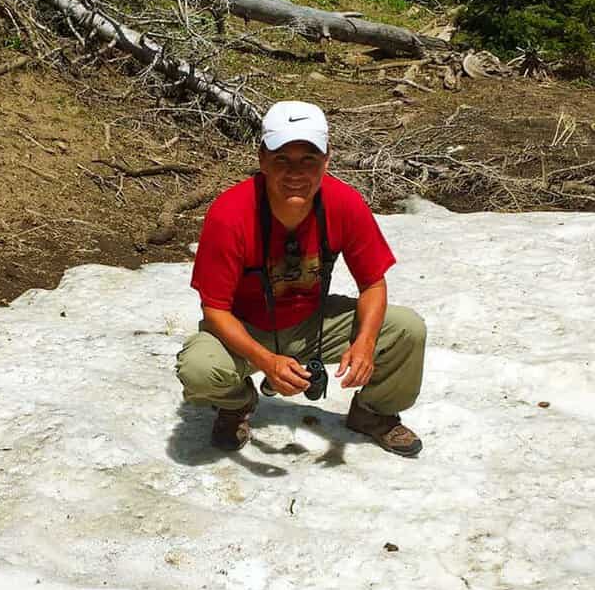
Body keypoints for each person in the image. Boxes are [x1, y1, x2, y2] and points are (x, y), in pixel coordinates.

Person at [175, 100, 426, 457]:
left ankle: (375, 413)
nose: (296, 172)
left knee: (406, 328)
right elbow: (215, 309)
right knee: (199, 368)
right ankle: (236, 404)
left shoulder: (344, 203)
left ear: (326, 160)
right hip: (245, 327)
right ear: (262, 159)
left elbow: (373, 283)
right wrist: (265, 361)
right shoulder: (230, 214)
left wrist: (366, 343)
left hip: (315, 324)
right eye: (282, 160)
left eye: (308, 159)